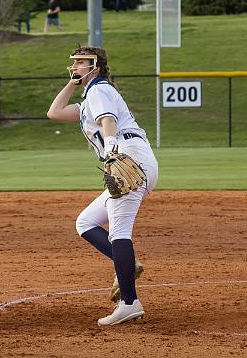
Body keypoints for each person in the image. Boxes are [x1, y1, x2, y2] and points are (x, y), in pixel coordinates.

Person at [47, 46, 158, 326]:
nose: (76, 66)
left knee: (120, 231)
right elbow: (55, 112)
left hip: (127, 156)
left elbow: (108, 121)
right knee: (85, 222)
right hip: (132, 157)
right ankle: (127, 266)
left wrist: (110, 152)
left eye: (82, 62)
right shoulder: (87, 101)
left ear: (96, 66)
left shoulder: (99, 89)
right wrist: (72, 83)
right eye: (74, 62)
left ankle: (130, 302)